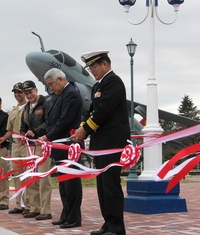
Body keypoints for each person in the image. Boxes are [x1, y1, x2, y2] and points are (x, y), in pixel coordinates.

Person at [71, 51, 130, 235]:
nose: (92, 70)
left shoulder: (114, 82)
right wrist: (82, 127)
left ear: (105, 64)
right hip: (100, 143)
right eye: (90, 68)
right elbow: (91, 111)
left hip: (111, 142)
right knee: (102, 186)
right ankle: (108, 223)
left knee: (111, 185)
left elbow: (104, 111)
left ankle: (116, 227)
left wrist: (85, 129)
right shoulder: (98, 85)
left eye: (94, 67)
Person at [39, 68, 83, 229]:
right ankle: (66, 215)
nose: (51, 88)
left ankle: (73, 217)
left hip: (68, 145)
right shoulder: (61, 95)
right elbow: (54, 120)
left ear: (60, 79)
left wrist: (47, 136)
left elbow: (64, 121)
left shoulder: (70, 93)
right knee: (63, 183)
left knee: (71, 183)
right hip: (60, 146)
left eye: (51, 84)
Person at [20, 80, 53, 220]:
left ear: (36, 90)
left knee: (43, 177)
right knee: (31, 177)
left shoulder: (46, 103)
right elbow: (23, 126)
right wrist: (23, 136)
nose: (29, 95)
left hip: (42, 145)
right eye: (26, 93)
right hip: (30, 147)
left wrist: (35, 131)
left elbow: (49, 122)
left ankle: (46, 210)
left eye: (30, 92)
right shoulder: (26, 108)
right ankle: (34, 208)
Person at [0, 82, 30, 214]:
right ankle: (19, 204)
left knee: (27, 175)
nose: (17, 95)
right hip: (16, 144)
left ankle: (28, 204)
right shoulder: (13, 111)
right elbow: (10, 130)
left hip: (27, 144)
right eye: (15, 92)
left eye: (20, 92)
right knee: (17, 174)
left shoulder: (29, 108)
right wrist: (3, 139)